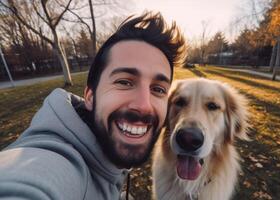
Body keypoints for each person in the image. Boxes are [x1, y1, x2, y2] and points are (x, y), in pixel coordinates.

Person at [0, 12, 186, 200]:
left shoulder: (108, 149)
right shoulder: (51, 160)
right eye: (124, 82)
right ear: (90, 97)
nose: (144, 105)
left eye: (158, 89)